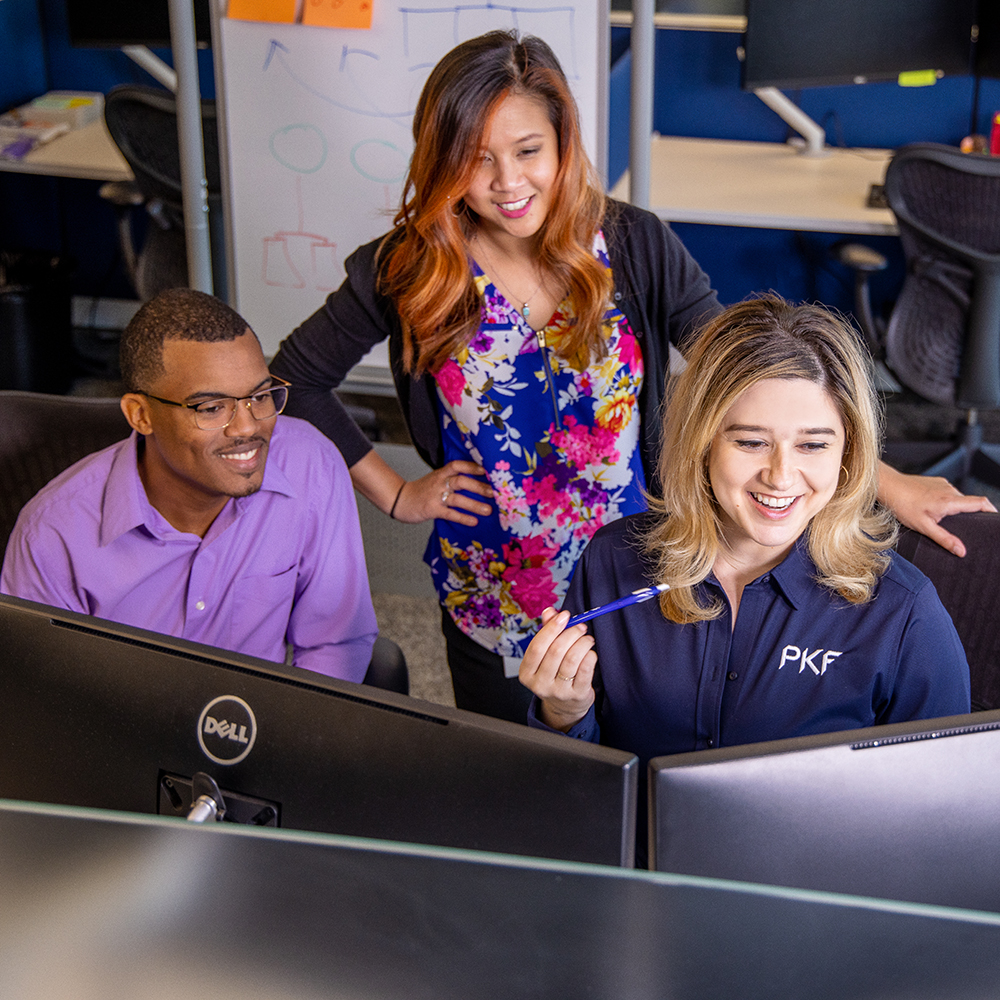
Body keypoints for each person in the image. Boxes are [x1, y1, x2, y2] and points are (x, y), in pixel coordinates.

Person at [270, 30, 990, 723]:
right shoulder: (411, 264)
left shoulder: (632, 243)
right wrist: (394, 492)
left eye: (528, 151)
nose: (507, 182)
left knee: (627, 750)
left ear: (563, 144)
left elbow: (748, 370)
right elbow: (295, 378)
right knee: (513, 771)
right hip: (493, 575)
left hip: (638, 570)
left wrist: (883, 480)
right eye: (476, 159)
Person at [520, 296, 971, 777]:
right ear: (702, 442)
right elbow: (573, 781)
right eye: (751, 442)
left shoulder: (903, 612)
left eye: (813, 444)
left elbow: (944, 800)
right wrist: (564, 715)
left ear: (848, 453)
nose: (780, 476)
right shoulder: (612, 561)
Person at [1, 288, 377, 682]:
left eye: (260, 397)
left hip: (262, 727)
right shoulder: (52, 534)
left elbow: (333, 643)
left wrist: (298, 735)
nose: (248, 428)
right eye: (212, 408)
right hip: (121, 732)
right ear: (140, 415)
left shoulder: (311, 465)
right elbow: (40, 691)